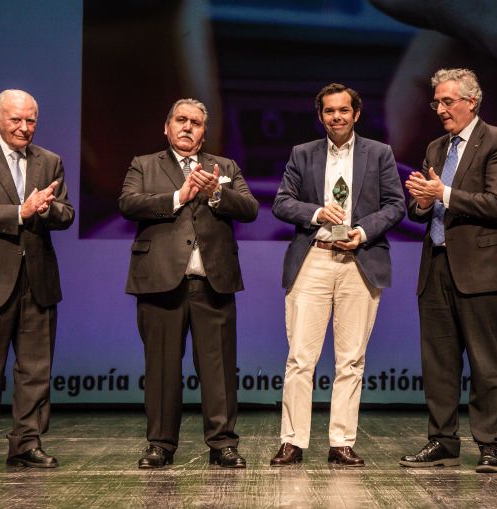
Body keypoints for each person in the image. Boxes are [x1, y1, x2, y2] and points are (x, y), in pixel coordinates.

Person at [269, 83, 404, 467]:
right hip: (314, 257)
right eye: (329, 111)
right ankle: (292, 441)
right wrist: (315, 213)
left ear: (356, 113)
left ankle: (341, 441)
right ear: (320, 116)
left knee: (351, 360)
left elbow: (396, 205)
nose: (337, 117)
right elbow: (281, 202)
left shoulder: (379, 153)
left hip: (359, 260)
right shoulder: (303, 153)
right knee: (300, 357)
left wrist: (361, 231)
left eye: (344, 110)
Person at [119, 98, 258, 469]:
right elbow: (128, 203)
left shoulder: (224, 166)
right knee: (162, 368)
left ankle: (223, 444)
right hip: (160, 282)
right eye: (181, 120)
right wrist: (179, 196)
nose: (187, 127)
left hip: (213, 282)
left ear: (203, 133)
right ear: (167, 127)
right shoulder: (144, 164)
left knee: (219, 369)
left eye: (196, 123)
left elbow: (250, 208)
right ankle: (160, 445)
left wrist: (216, 193)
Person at [402, 69, 497, 473]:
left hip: (482, 268)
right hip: (436, 263)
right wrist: (422, 202)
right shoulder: (436, 147)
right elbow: (420, 209)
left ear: (472, 101)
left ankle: (491, 444)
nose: (440, 109)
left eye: (447, 101)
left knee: (485, 362)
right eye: (436, 102)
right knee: (438, 361)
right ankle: (442, 440)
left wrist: (443, 193)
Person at [0, 89, 74, 473]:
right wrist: (20, 212)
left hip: (37, 281)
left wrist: (48, 209)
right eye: (16, 119)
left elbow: (66, 213)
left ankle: (26, 444)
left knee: (35, 369)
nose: (24, 127)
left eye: (31, 120)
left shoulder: (50, 161)